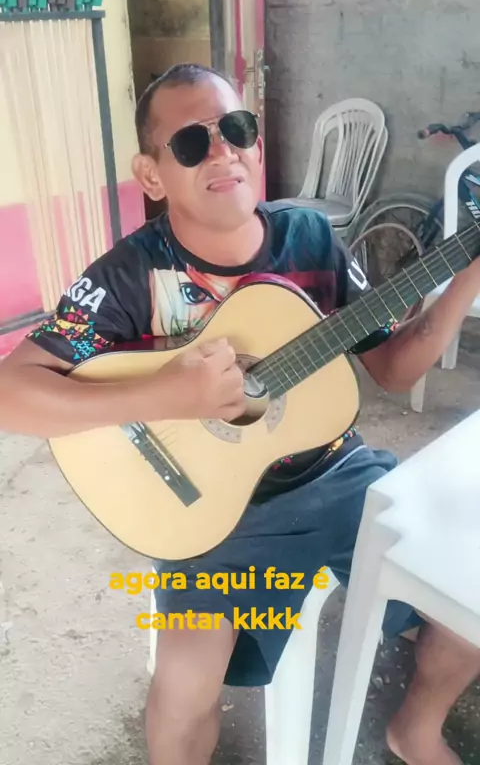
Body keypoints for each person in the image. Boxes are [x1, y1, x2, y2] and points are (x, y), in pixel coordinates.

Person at [0, 63, 478, 765]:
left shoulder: (309, 238)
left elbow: (394, 366)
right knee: (182, 691)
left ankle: (416, 730)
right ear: (152, 174)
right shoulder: (129, 274)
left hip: (335, 472)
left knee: (467, 591)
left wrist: (468, 274)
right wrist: (167, 397)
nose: (222, 150)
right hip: (206, 511)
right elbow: (12, 392)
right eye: (192, 143)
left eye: (236, 128)